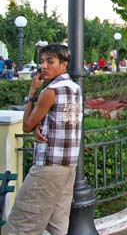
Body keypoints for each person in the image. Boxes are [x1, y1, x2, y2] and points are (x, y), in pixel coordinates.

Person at [7, 44, 83, 235]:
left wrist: (31, 93)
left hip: (48, 166)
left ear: (64, 64)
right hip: (68, 165)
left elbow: (26, 125)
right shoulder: (75, 89)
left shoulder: (50, 91)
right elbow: (61, 122)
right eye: (42, 61)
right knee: (57, 224)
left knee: (23, 222)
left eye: (50, 61)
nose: (44, 66)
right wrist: (39, 129)